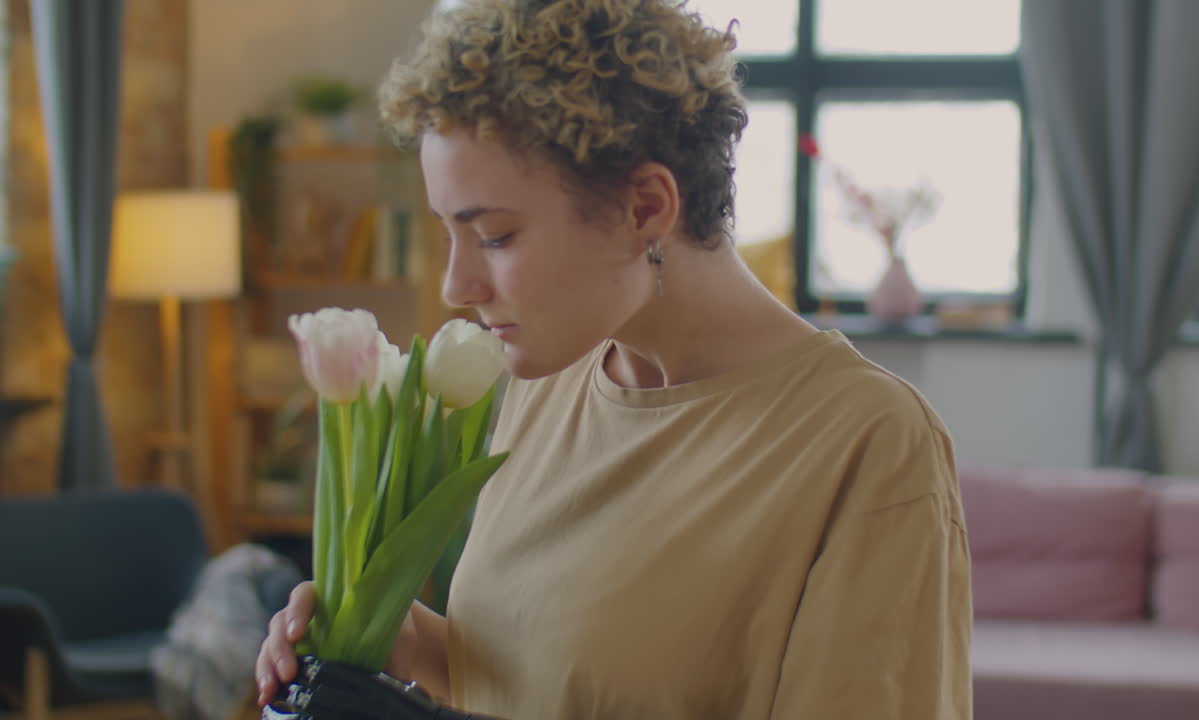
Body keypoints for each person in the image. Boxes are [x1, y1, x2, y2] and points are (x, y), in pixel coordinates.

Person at [256, 0, 972, 717]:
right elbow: (563, 682)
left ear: (644, 208)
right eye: (450, 232)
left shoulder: (867, 444)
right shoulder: (550, 378)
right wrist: (400, 644)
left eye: (496, 236)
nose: (456, 286)